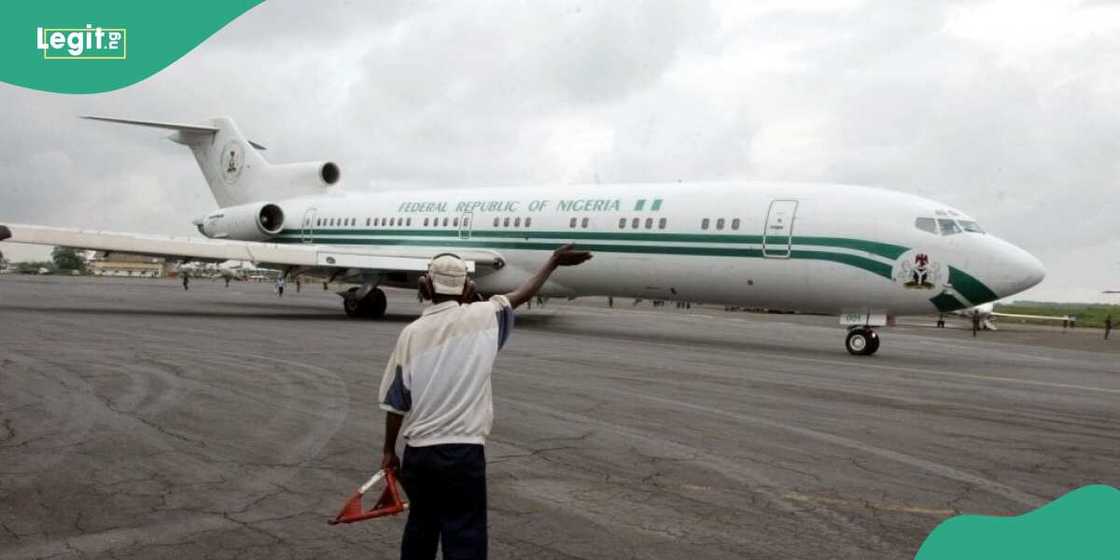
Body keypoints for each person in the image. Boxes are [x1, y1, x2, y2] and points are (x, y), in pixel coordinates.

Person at [379, 245, 592, 560]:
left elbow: (396, 402)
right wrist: (553, 262)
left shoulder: (411, 334)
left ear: (425, 286)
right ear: (468, 287)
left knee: (420, 528)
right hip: (463, 453)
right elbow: (522, 294)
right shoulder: (485, 318)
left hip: (419, 454)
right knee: (465, 533)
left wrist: (388, 450)